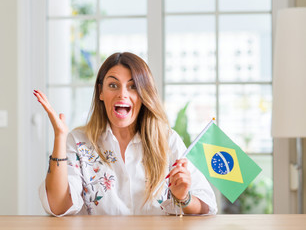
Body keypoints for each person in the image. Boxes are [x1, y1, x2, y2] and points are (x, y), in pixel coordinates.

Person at [34, 52, 217, 216]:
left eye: (133, 86)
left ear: (144, 94)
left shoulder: (167, 139)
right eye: (113, 85)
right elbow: (58, 207)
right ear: (101, 92)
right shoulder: (78, 140)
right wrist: (59, 136)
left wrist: (184, 197)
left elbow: (206, 205)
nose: (122, 94)